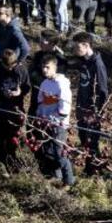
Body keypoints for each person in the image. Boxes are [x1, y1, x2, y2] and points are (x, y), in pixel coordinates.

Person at [35, 54, 75, 187]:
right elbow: (40, 101)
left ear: (55, 67)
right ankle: (55, 176)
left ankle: (68, 181)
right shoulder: (44, 83)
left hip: (58, 124)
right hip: (45, 123)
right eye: (43, 67)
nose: (44, 70)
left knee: (59, 153)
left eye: (48, 67)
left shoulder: (61, 84)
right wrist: (40, 116)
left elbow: (64, 107)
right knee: (48, 150)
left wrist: (54, 120)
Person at [71, 32, 108, 173]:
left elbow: (103, 90)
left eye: (77, 47)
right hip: (82, 107)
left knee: (92, 140)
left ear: (86, 46)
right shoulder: (84, 61)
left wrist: (98, 111)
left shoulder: (97, 64)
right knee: (83, 138)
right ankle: (92, 167)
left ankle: (94, 170)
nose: (74, 50)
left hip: (92, 110)